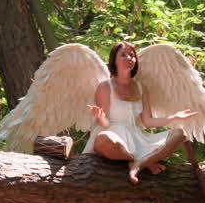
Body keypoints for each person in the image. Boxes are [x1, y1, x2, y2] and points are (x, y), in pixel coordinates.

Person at [84, 41, 198, 184]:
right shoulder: (105, 86)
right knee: (104, 140)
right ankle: (146, 160)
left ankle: (138, 164)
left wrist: (173, 117)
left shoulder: (141, 87)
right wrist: (100, 117)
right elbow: (105, 123)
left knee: (180, 134)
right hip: (113, 133)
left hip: (138, 136)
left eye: (132, 55)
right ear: (114, 60)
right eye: (123, 55)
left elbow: (147, 121)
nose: (129, 58)